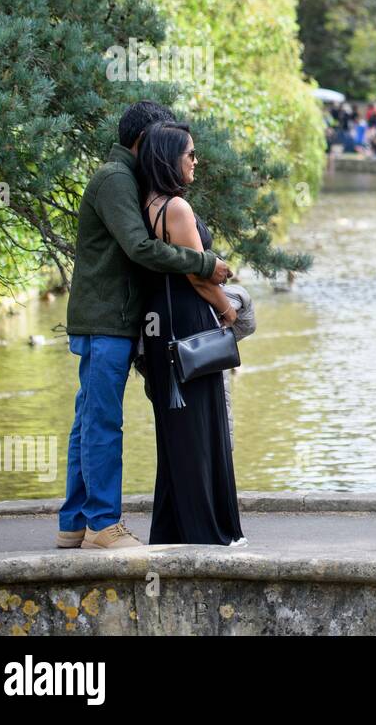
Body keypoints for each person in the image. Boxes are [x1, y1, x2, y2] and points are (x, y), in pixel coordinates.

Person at [57, 102, 232, 552]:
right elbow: (138, 247)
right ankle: (101, 525)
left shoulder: (129, 179)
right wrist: (204, 263)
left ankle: (74, 521)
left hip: (111, 319)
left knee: (87, 419)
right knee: (101, 422)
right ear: (143, 140)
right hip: (106, 320)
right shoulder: (116, 179)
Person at [137, 122, 245, 546]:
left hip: (160, 322)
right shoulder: (175, 209)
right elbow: (197, 275)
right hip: (185, 321)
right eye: (190, 155)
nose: (196, 161)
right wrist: (229, 310)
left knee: (177, 433)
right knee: (200, 427)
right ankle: (207, 532)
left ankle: (173, 529)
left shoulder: (147, 203)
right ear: (169, 159)